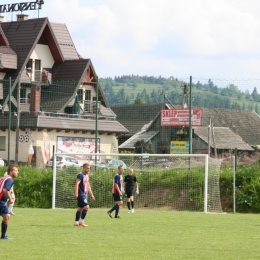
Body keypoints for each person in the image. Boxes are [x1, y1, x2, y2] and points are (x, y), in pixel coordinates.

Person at [0, 165, 19, 240]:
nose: (18, 172)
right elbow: (5, 190)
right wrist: (10, 199)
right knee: (7, 216)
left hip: (1, 201)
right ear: (11, 172)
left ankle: (3, 236)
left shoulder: (3, 178)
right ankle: (3, 236)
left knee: (6, 216)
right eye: (16, 170)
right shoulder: (10, 179)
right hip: (1, 201)